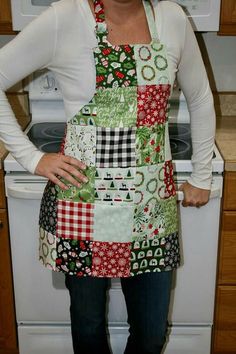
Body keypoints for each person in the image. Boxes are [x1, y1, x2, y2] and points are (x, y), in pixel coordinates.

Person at [0, 0, 215, 353]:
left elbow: (201, 97)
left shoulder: (171, 18)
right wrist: (32, 158)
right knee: (88, 329)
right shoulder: (66, 17)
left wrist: (202, 174)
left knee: (150, 334)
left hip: (149, 208)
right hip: (84, 206)